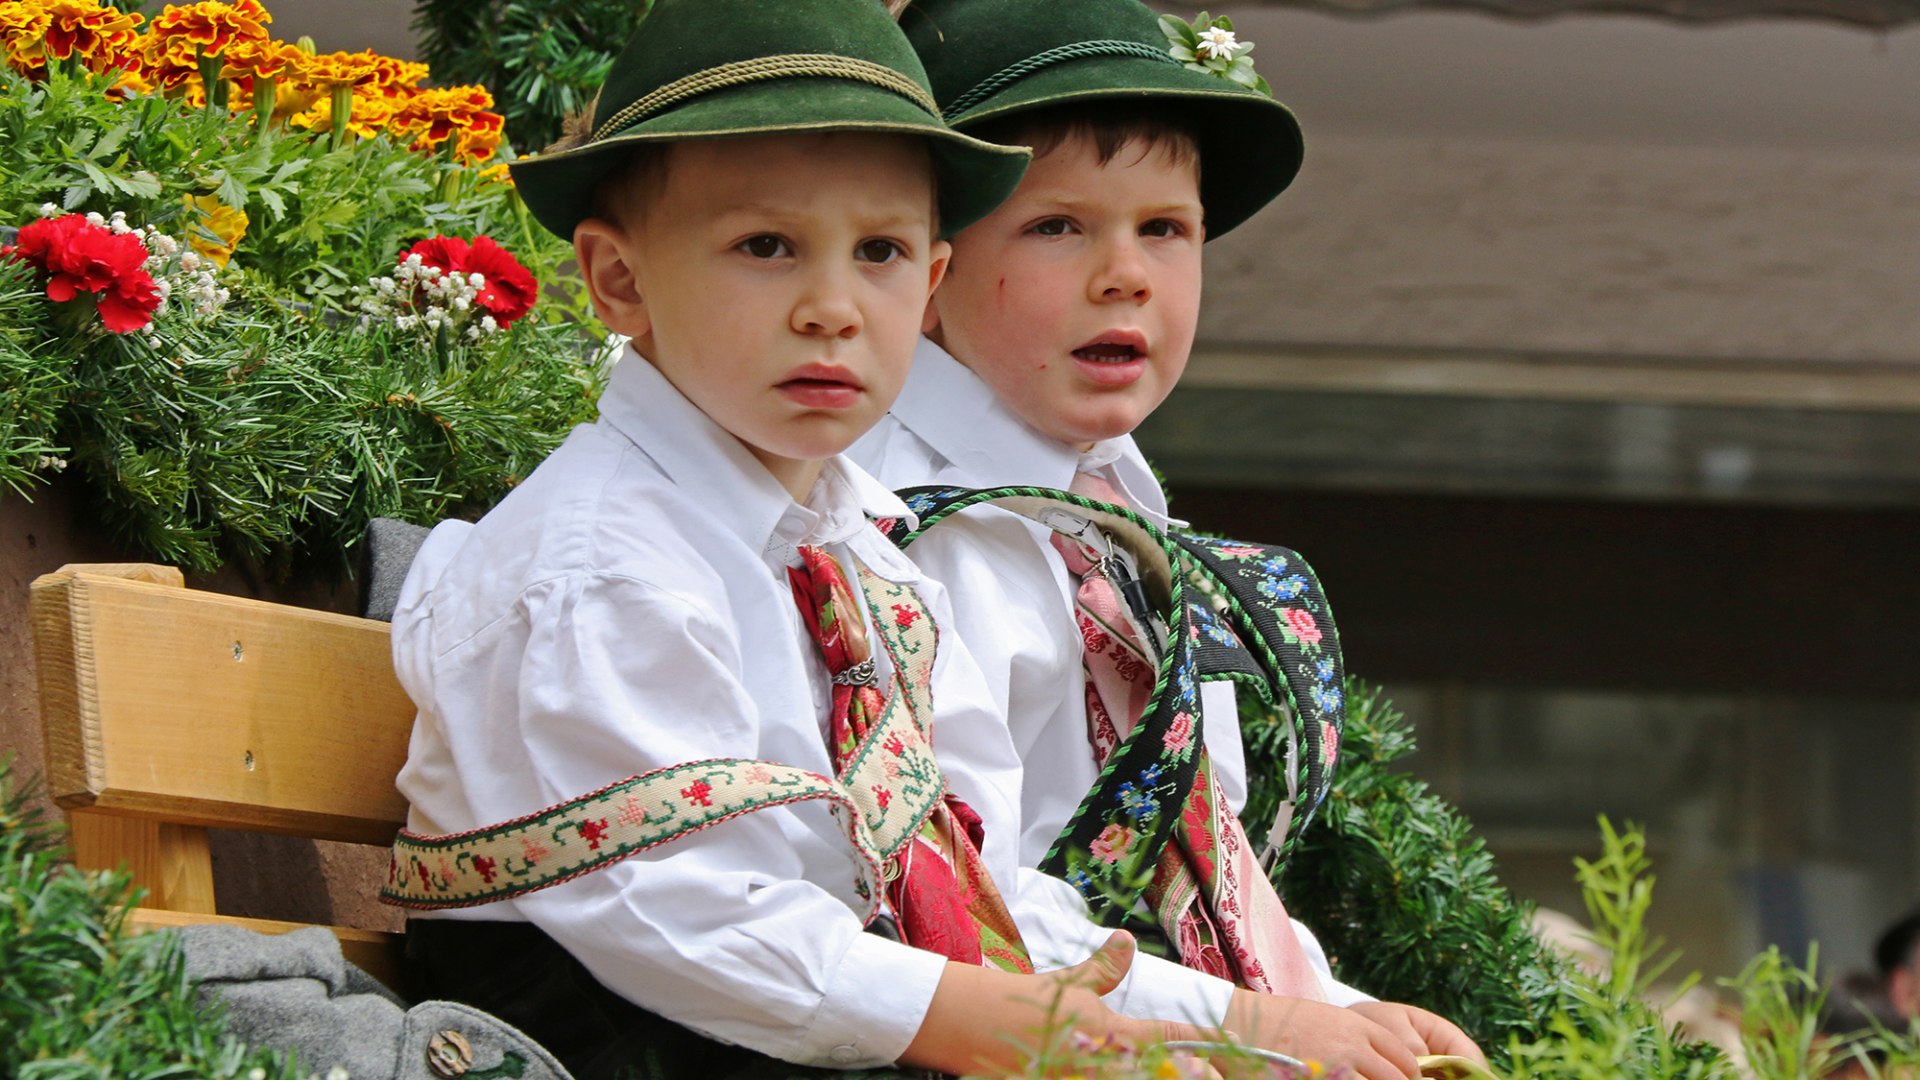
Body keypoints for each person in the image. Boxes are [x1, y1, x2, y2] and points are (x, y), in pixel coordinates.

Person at [374, 1, 1240, 1076]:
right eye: (767, 246)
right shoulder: (596, 565)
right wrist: (1006, 1029)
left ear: (928, 281)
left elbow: (987, 892)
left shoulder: (869, 564)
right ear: (619, 280)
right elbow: (684, 918)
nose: (832, 307)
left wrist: (1250, 1027)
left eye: (879, 251)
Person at [850, 0, 1485, 1071]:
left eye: (1166, 229)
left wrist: (1337, 1007)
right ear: (925, 266)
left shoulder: (1116, 514)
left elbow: (1190, 867)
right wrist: (1276, 1029)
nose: (1126, 275)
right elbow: (961, 894)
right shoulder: (893, 524)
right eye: (1058, 226)